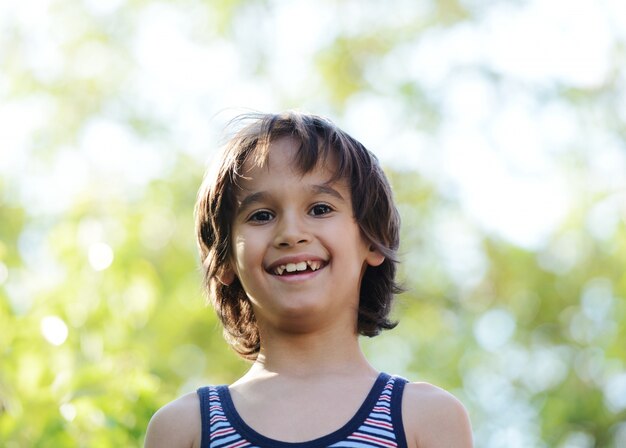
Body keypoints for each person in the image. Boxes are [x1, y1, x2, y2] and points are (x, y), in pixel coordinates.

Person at [144, 111, 473, 447]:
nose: (291, 233)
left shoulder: (425, 418)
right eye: (261, 215)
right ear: (225, 258)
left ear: (372, 240)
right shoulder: (185, 428)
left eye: (319, 209)